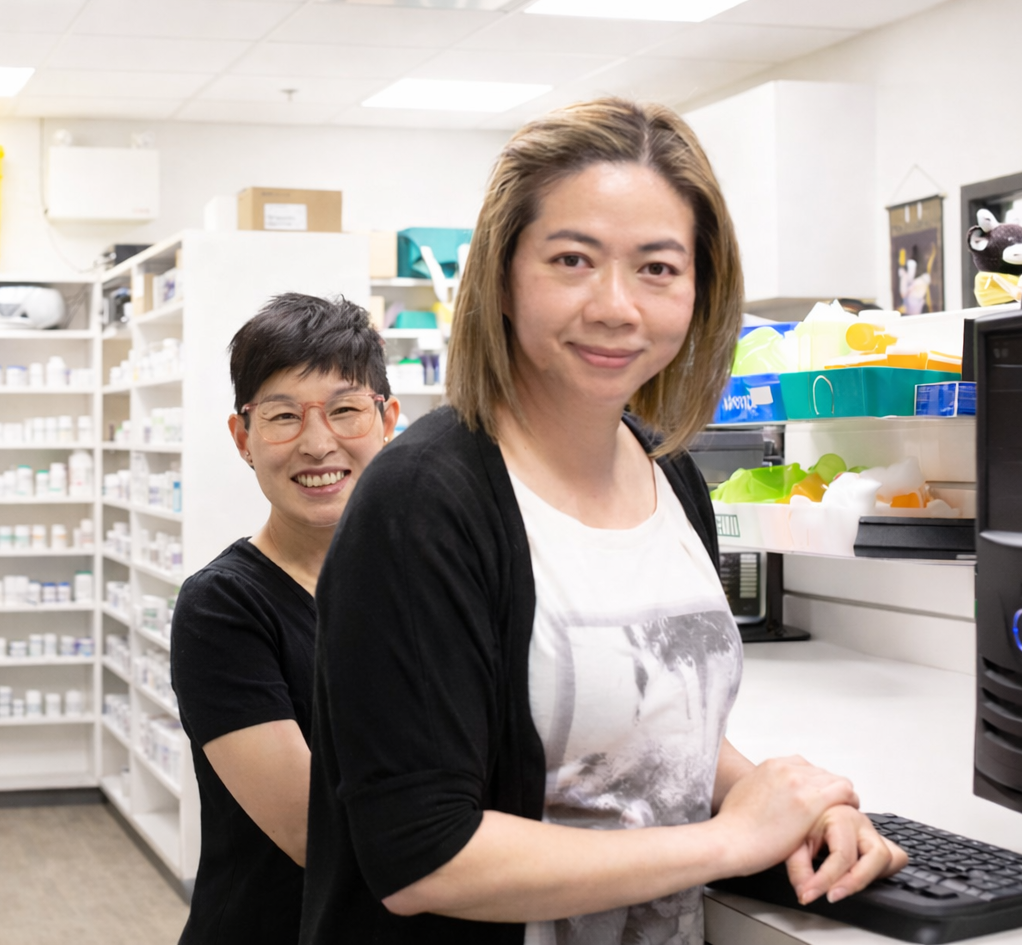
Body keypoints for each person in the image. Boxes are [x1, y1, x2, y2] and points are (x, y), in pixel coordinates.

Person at [302, 98, 909, 945]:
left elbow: (646, 732)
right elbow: (421, 858)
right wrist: (730, 840)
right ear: (502, 277)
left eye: (657, 267)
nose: (617, 306)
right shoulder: (422, 502)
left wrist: (788, 803)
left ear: (700, 289)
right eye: (572, 260)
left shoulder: (671, 474)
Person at [169, 293, 399, 945]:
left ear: (388, 420)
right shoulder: (222, 608)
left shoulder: (427, 581)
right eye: (283, 417)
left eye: (346, 410)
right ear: (243, 438)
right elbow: (314, 833)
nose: (318, 443)